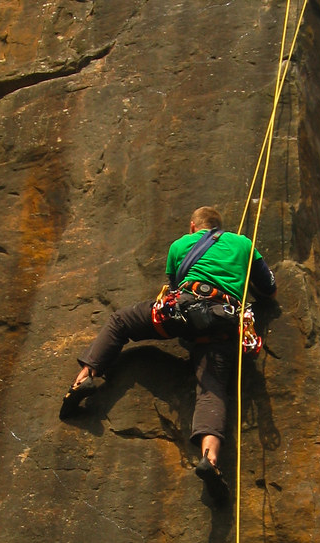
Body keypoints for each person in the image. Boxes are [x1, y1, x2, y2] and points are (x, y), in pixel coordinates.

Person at [63, 206, 276, 499]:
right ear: (219, 226)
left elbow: (175, 286)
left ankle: (83, 379)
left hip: (182, 314)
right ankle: (209, 461)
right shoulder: (243, 244)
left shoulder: (179, 245)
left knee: (121, 321)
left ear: (193, 226)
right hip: (222, 324)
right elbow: (268, 290)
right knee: (212, 390)